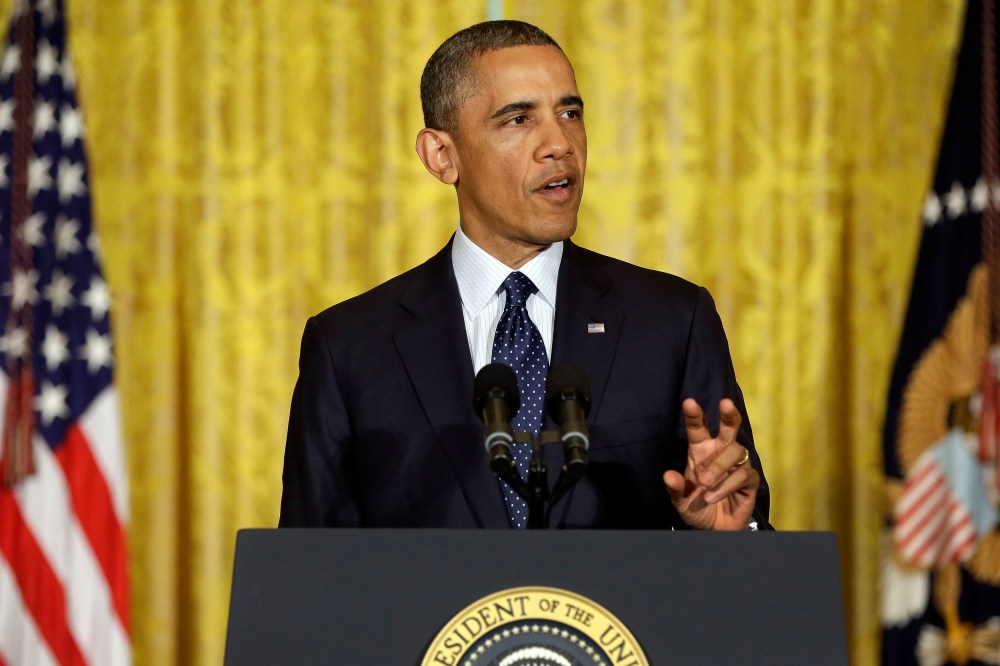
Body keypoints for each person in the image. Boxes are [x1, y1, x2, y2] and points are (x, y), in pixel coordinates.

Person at [279, 20, 770, 531]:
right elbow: (309, 579)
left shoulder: (670, 321)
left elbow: (745, 544)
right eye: (518, 119)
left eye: (570, 112)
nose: (560, 144)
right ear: (441, 156)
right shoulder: (350, 347)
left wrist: (722, 535)